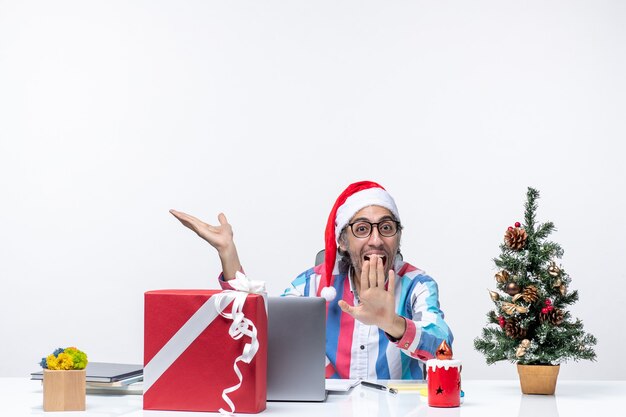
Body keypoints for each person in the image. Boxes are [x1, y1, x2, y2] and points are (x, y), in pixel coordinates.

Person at [170, 180, 453, 380]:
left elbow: (445, 349)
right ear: (342, 240)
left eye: (387, 228)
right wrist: (228, 254)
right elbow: (261, 332)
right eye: (363, 229)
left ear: (398, 236)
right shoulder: (312, 285)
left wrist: (391, 323)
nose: (376, 240)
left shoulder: (418, 285)